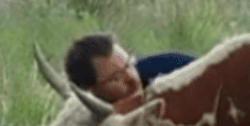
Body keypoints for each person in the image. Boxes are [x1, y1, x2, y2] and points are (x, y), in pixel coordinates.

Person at [64, 33, 195, 114]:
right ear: (91, 91)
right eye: (116, 78)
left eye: (129, 65)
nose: (132, 78)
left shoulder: (173, 66)